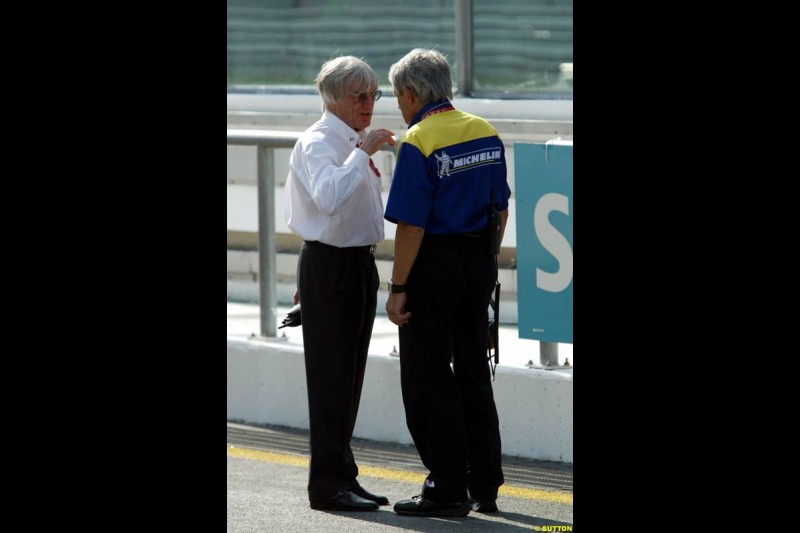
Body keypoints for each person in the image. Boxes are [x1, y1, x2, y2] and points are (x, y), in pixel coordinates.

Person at [383, 48, 511, 518]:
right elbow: (501, 209)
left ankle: (446, 486)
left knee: (428, 375)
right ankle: (486, 484)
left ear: (412, 93)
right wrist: (485, 261)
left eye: (398, 97)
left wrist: (398, 288)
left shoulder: (418, 140)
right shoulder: (485, 130)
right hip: (479, 258)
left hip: (432, 263)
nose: (398, 106)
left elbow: (411, 225)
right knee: (475, 370)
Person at [283, 55, 396, 512]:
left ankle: (343, 473)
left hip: (353, 264)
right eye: (360, 96)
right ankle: (326, 485)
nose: (369, 104)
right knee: (330, 381)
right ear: (335, 99)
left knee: (349, 379)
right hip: (331, 264)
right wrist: (362, 153)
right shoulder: (319, 141)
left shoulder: (350, 139)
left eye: (374, 95)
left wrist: (360, 150)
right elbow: (327, 200)